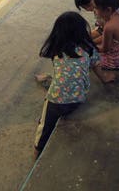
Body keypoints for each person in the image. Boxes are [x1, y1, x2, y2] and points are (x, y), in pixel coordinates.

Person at [34, 11, 100, 157]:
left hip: (55, 101)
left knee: (44, 126)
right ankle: (46, 80)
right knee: (63, 81)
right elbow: (96, 68)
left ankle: (36, 151)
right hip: (78, 99)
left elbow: (62, 74)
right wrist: (106, 78)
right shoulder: (89, 49)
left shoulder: (56, 50)